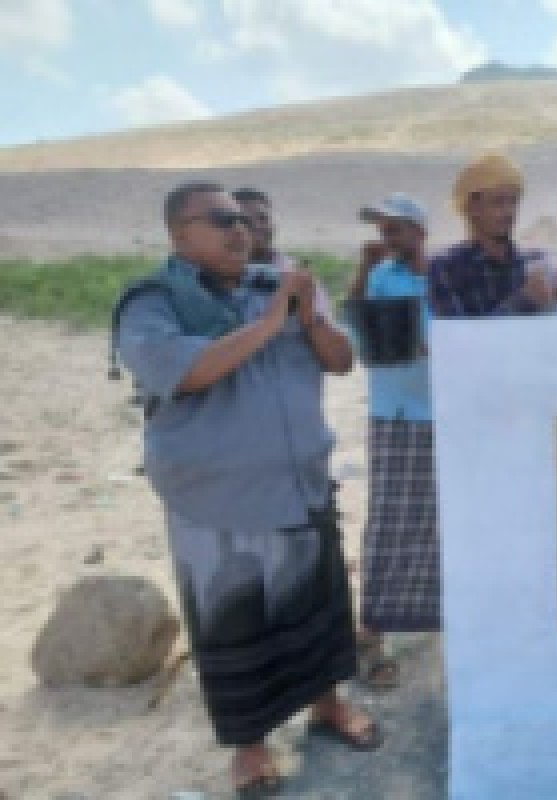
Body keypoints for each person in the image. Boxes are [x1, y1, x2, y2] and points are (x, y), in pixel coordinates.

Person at [114, 182, 378, 797]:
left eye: (243, 219)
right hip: (218, 505)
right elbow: (186, 370)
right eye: (221, 220)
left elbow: (341, 361)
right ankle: (250, 750)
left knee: (317, 608)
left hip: (299, 486)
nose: (239, 229)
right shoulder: (153, 303)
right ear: (180, 234)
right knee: (234, 630)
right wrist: (269, 323)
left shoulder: (276, 287)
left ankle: (328, 706)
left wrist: (307, 315)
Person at [345, 193, 440, 689]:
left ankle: (436, 620)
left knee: (442, 519)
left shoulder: (445, 276)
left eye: (395, 230)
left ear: (419, 231)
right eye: (382, 231)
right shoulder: (382, 277)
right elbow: (355, 327)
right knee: (390, 519)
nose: (386, 239)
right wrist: (362, 271)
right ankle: (373, 632)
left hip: (445, 412)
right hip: (397, 413)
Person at [428, 152, 557, 317]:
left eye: (513, 202)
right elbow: (459, 336)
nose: (509, 212)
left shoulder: (534, 261)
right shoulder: (446, 268)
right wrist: (524, 301)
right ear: (472, 208)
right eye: (498, 202)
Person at [232, 186, 332, 317]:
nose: (257, 226)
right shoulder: (218, 276)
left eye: (263, 218)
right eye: (245, 222)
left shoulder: (292, 271)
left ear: (273, 224)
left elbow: (321, 321)